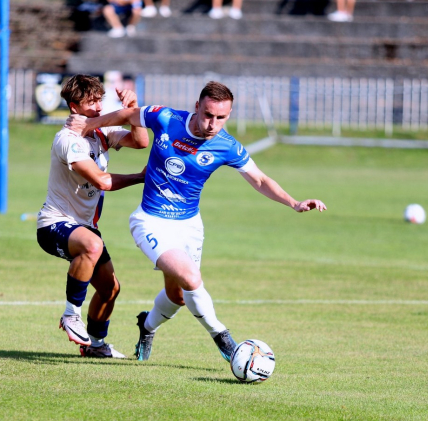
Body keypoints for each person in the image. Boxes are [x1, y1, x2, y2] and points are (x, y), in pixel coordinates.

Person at [66, 81, 326, 362]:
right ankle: (224, 339)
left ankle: (147, 325)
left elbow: (260, 179)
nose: (213, 123)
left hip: (189, 226)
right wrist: (88, 126)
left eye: (221, 118)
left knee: (177, 296)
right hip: (150, 221)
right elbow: (128, 115)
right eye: (208, 115)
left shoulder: (227, 146)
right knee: (191, 278)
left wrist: (294, 202)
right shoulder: (166, 118)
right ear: (197, 107)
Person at [37, 75, 148, 358]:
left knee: (111, 289)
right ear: (74, 106)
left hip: (85, 227)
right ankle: (71, 314)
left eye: (100, 100)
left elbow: (140, 141)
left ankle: (96, 346)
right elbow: (101, 180)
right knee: (92, 245)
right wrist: (139, 177)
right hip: (54, 224)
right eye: (91, 102)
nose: (98, 108)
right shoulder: (68, 140)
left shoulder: (100, 132)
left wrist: (134, 110)